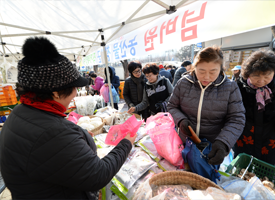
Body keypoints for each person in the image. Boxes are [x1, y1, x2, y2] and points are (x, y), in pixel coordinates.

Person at [0, 37, 136, 199]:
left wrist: (78, 138)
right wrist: (126, 144)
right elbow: (98, 175)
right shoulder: (52, 132)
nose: (74, 93)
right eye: (73, 88)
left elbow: (51, 155)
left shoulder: (21, 111)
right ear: (55, 93)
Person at [167, 46, 245, 165]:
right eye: (201, 71)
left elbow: (237, 119)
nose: (206, 77)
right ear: (194, 67)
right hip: (184, 144)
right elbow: (172, 106)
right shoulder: (183, 83)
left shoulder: (230, 87)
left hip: (212, 147)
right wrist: (181, 120)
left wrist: (223, 142)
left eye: (213, 72)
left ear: (221, 69)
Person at [233, 50, 275, 165]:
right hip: (243, 136)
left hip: (270, 136)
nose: (261, 81)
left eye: (267, 76)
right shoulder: (238, 86)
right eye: (256, 76)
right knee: (242, 168)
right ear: (248, 73)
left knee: (267, 170)